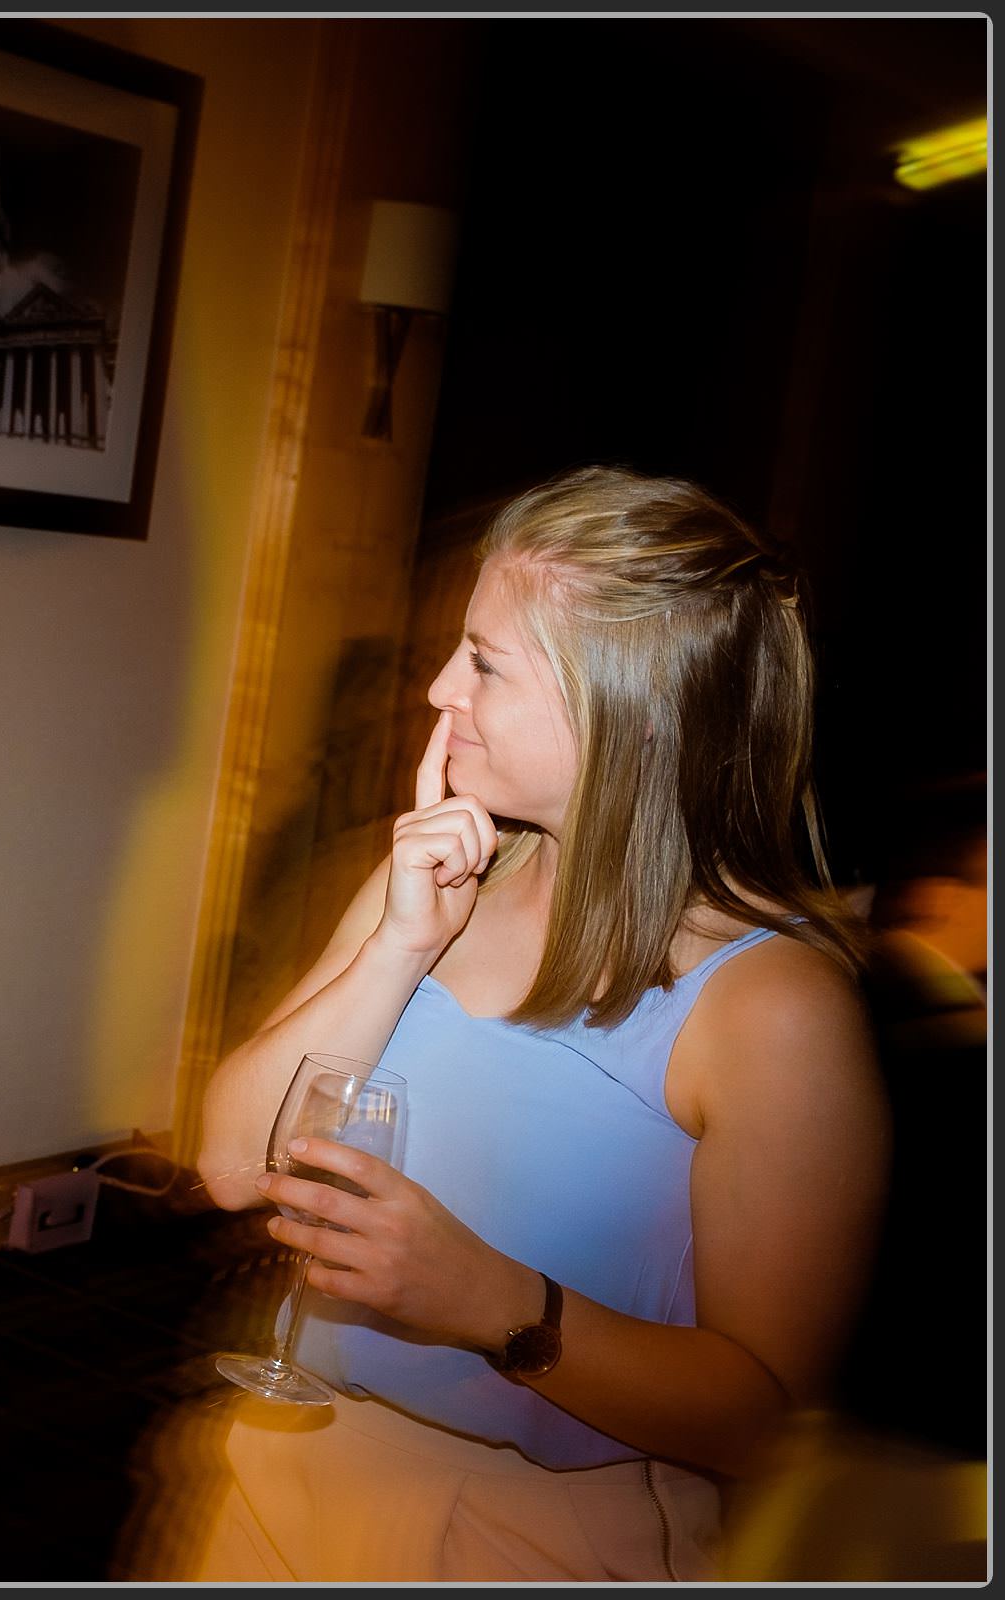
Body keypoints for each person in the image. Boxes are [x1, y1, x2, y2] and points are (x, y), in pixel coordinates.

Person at [189, 465, 889, 1581]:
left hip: (540, 1532)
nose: (435, 690)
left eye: (482, 663)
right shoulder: (433, 873)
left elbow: (762, 1420)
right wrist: (401, 945)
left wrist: (492, 1300)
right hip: (294, 1465)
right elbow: (231, 1165)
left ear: (627, 708)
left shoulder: (774, 1008)